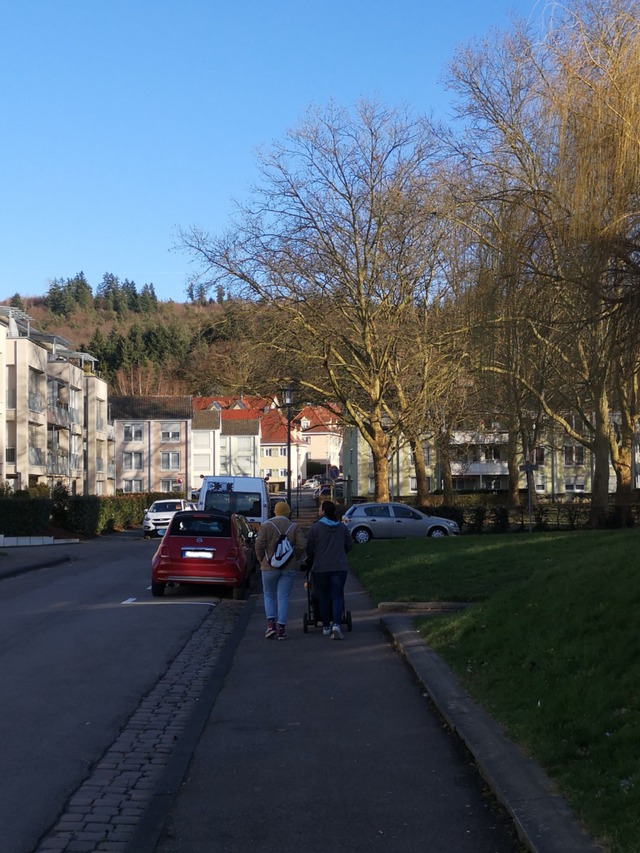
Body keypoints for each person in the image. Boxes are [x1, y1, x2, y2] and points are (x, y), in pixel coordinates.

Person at [255, 500, 306, 640]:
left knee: (269, 595)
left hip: (268, 567)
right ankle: (281, 628)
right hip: (288, 567)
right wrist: (295, 557)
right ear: (288, 512)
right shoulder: (294, 527)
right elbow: (302, 545)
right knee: (283, 596)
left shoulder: (266, 525)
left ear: (275, 511)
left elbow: (259, 545)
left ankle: (271, 625)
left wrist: (261, 560)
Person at [306, 499, 353, 640]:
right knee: (338, 595)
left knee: (324, 596)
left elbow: (309, 547)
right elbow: (349, 545)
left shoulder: (315, 528)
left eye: (320, 508)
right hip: (339, 566)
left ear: (324, 512)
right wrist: (340, 552)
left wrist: (313, 558)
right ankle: (336, 624)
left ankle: (325, 626)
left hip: (321, 567)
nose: (319, 510)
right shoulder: (342, 527)